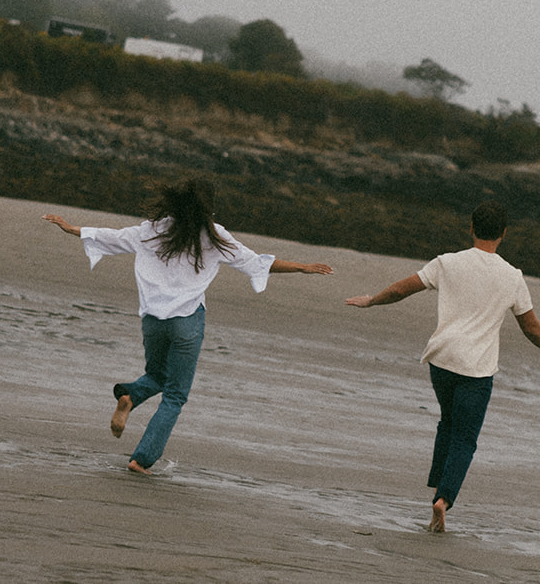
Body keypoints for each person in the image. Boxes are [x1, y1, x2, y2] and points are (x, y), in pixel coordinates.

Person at [42, 176, 333, 474]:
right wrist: (302, 267)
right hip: (187, 322)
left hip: (153, 319)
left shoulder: (153, 229)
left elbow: (111, 237)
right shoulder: (215, 235)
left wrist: (73, 228)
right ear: (209, 206)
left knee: (157, 374)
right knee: (175, 395)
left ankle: (130, 396)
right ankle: (141, 459)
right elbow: (255, 262)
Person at [345, 200, 540, 532]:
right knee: (465, 438)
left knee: (448, 423)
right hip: (475, 369)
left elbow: (401, 289)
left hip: (441, 360)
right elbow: (529, 327)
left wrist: (372, 300)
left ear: (471, 227)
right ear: (504, 234)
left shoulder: (448, 263)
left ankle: (437, 488)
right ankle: (444, 499)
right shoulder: (512, 276)